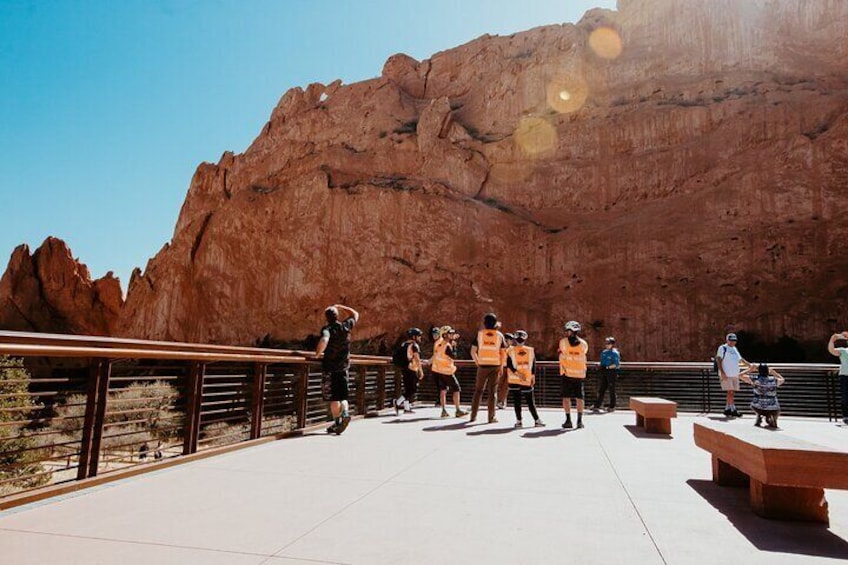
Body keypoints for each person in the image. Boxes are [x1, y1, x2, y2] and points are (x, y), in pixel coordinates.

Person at [315, 304, 360, 434]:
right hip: (343, 367)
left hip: (330, 368)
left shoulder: (327, 328)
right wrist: (341, 306)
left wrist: (318, 354)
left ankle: (337, 423)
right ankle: (345, 413)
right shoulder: (346, 326)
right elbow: (355, 314)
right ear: (337, 316)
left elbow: (324, 340)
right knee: (343, 397)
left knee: (334, 399)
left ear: (326, 317)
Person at [470, 313, 507, 423]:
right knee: (492, 393)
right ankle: (491, 418)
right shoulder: (499, 336)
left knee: (478, 391)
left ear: (484, 323)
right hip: (495, 366)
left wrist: (478, 362)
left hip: (482, 366)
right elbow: (503, 353)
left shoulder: (479, 334)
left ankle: (473, 416)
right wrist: (501, 366)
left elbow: (472, 351)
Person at [506, 330, 544, 428]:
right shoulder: (530, 350)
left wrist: (517, 374)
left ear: (515, 339)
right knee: (530, 401)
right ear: (525, 339)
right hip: (526, 379)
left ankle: (519, 422)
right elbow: (533, 365)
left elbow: (509, 365)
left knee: (517, 401)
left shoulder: (510, 350)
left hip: (514, 379)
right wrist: (533, 376)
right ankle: (537, 420)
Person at [431, 326, 468, 418]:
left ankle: (443, 411)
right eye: (450, 334)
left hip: (438, 371)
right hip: (447, 371)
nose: (452, 335)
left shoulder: (437, 343)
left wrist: (452, 339)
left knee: (443, 390)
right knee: (456, 389)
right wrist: (454, 346)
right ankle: (458, 410)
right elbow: (454, 356)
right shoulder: (447, 346)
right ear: (445, 335)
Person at [559, 320, 589, 429]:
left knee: (566, 397)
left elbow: (562, 352)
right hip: (579, 374)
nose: (566, 332)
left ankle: (568, 420)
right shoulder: (584, 343)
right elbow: (584, 353)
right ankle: (580, 421)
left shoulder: (563, 342)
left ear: (571, 331)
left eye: (567, 330)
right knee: (579, 397)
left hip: (567, 373)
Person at [739, 362, 785, 428]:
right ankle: (773, 418)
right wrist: (774, 373)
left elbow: (739, 375)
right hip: (773, 406)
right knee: (776, 408)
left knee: (755, 404)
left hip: (758, 406)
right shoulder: (773, 380)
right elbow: (783, 379)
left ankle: (759, 416)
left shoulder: (754, 379)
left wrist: (750, 370)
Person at [716, 333, 747, 417]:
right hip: (727, 373)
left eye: (734, 340)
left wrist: (749, 365)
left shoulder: (734, 348)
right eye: (731, 340)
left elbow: (740, 359)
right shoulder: (723, 348)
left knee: (732, 392)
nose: (733, 342)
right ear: (727, 340)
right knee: (730, 391)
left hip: (734, 374)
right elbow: (718, 359)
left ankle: (727, 409)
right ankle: (733, 409)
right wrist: (722, 372)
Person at [394, 328, 424, 414]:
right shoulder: (414, 345)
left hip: (404, 368)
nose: (420, 338)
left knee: (408, 389)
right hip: (412, 369)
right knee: (413, 389)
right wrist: (420, 371)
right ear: (414, 337)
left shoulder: (404, 344)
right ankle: (397, 402)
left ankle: (406, 408)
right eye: (419, 336)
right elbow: (417, 359)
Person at [592, 336, 620, 412]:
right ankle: (597, 405)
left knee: (612, 389)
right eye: (606, 343)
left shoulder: (615, 353)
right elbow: (602, 362)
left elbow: (616, 364)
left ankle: (612, 406)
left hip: (612, 372)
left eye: (609, 343)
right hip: (604, 371)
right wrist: (600, 366)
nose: (607, 345)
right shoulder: (604, 352)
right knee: (602, 389)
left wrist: (608, 367)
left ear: (612, 344)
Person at [827, 331, 848, 424]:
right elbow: (832, 350)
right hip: (845, 376)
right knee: (845, 397)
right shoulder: (844, 351)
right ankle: (846, 416)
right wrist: (832, 339)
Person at [496, 333, 516, 410]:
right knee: (499, 385)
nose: (512, 341)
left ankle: (501, 401)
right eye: (511, 340)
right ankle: (499, 401)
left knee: (506, 386)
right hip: (501, 367)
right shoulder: (500, 347)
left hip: (509, 369)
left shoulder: (512, 349)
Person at [429, 326, 442, 406]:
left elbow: (437, 354)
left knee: (440, 384)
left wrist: (429, 361)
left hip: (440, 367)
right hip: (436, 367)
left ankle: (440, 401)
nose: (434, 336)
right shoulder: (437, 342)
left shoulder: (440, 342)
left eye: (436, 334)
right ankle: (439, 400)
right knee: (438, 384)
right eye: (433, 334)